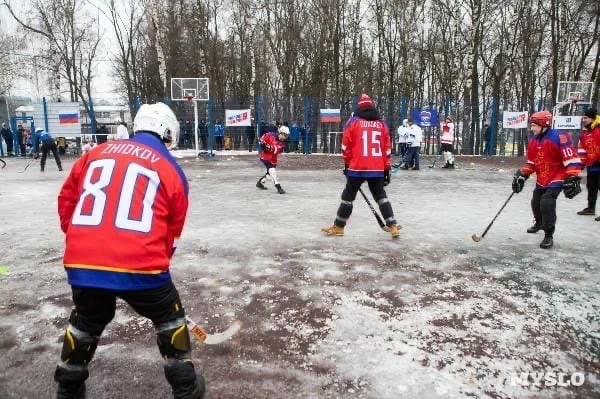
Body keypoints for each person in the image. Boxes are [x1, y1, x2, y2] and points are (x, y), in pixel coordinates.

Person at [54, 102, 205, 399]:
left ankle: (68, 387)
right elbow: (172, 229)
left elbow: (66, 201)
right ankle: (185, 387)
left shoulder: (94, 154)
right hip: (141, 262)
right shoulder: (169, 167)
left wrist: (86, 244)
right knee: (168, 317)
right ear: (167, 132)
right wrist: (153, 263)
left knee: (86, 319)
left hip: (83, 260)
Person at [321, 94, 400, 238]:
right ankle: (393, 225)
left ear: (359, 107)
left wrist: (347, 163)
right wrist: (386, 168)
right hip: (377, 168)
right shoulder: (382, 123)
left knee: (348, 197)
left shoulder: (353, 122)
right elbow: (387, 149)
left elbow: (345, 147)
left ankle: (339, 227)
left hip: (357, 167)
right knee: (381, 196)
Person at [511, 110, 582, 249]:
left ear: (545, 124)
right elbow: (531, 163)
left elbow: (572, 159)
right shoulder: (533, 141)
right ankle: (539, 223)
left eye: (534, 125)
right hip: (542, 177)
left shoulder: (560, 136)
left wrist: (572, 175)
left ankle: (548, 234)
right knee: (535, 201)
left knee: (547, 202)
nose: (532, 129)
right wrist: (523, 175)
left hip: (558, 176)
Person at [576, 108, 600, 220]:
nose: (583, 120)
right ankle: (591, 208)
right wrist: (580, 165)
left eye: (586, 118)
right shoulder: (585, 133)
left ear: (593, 118)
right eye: (583, 117)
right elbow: (582, 150)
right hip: (592, 165)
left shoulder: (598, 129)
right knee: (591, 187)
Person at [256, 124, 289, 194]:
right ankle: (278, 187)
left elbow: (276, 149)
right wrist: (263, 144)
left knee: (269, 173)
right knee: (272, 170)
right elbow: (262, 138)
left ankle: (260, 183)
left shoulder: (283, 144)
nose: (284, 137)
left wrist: (269, 147)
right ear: (280, 133)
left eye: (286, 136)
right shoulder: (270, 135)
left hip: (273, 158)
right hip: (265, 156)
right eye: (284, 135)